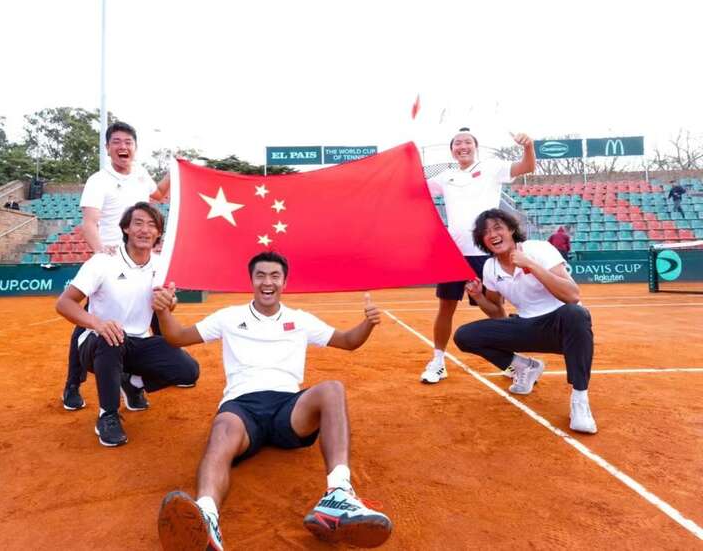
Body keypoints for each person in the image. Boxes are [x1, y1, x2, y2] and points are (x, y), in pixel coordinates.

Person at [154, 251, 393, 550]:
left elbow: (347, 341)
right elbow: (177, 337)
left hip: (288, 410)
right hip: (242, 406)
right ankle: (206, 518)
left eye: (274, 276)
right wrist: (163, 313)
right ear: (251, 280)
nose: (268, 282)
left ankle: (339, 495)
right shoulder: (228, 317)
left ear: (284, 282)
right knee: (223, 427)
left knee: (332, 388)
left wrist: (368, 324)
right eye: (261, 275)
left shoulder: (300, 319)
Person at [55, 202, 199, 446]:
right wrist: (98, 324)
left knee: (188, 371)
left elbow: (167, 302)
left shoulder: (161, 264)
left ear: (158, 233)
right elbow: (64, 303)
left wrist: (169, 302)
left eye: (152, 225)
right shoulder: (103, 262)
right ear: (126, 229)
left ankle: (133, 382)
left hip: (137, 343)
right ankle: (108, 415)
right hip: (97, 343)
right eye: (138, 223)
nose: (145, 230)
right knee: (112, 336)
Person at [453, 208, 597, 434]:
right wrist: (479, 297)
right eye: (486, 232)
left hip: (561, 327)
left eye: (497, 228)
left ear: (511, 230)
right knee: (465, 335)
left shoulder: (538, 249)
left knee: (576, 313)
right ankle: (526, 367)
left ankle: (580, 401)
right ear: (482, 240)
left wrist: (530, 265)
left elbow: (572, 295)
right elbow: (497, 313)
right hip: (526, 326)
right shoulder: (490, 267)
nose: (492, 234)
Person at [61, 121, 172, 411]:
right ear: (108, 148)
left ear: (135, 148)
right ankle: (73, 384)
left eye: (128, 142)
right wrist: (101, 252)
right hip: (111, 259)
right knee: (90, 320)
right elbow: (89, 222)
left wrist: (174, 172)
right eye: (117, 142)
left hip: (140, 255)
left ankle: (138, 377)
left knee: (153, 307)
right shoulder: (99, 180)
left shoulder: (141, 174)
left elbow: (158, 196)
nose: (123, 147)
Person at [420, 127, 536, 384]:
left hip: (486, 253)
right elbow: (414, 188)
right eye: (458, 143)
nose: (463, 146)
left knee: (495, 308)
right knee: (445, 307)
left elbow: (527, 167)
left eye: (467, 142)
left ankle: (513, 363)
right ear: (452, 150)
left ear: (475, 147)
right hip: (453, 254)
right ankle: (438, 362)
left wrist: (528, 146)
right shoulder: (445, 176)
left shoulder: (493, 167)